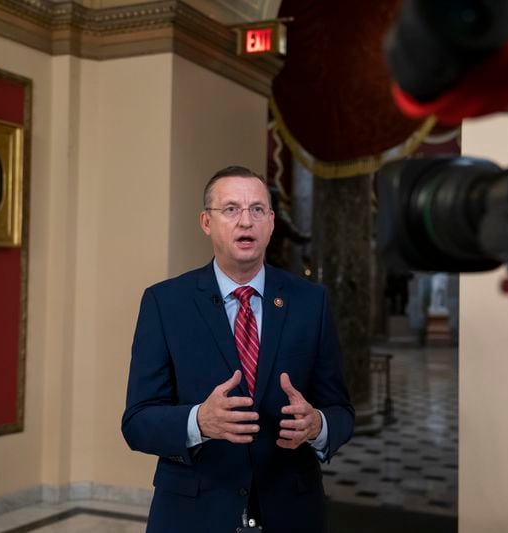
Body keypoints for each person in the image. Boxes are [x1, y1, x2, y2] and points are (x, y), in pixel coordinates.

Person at [122, 165, 354, 533]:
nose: (246, 221)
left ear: (272, 222)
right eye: (231, 209)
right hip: (193, 514)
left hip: (291, 511)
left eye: (257, 210)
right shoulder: (165, 303)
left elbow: (341, 411)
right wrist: (199, 422)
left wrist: (318, 425)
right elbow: (137, 423)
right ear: (206, 222)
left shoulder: (311, 302)